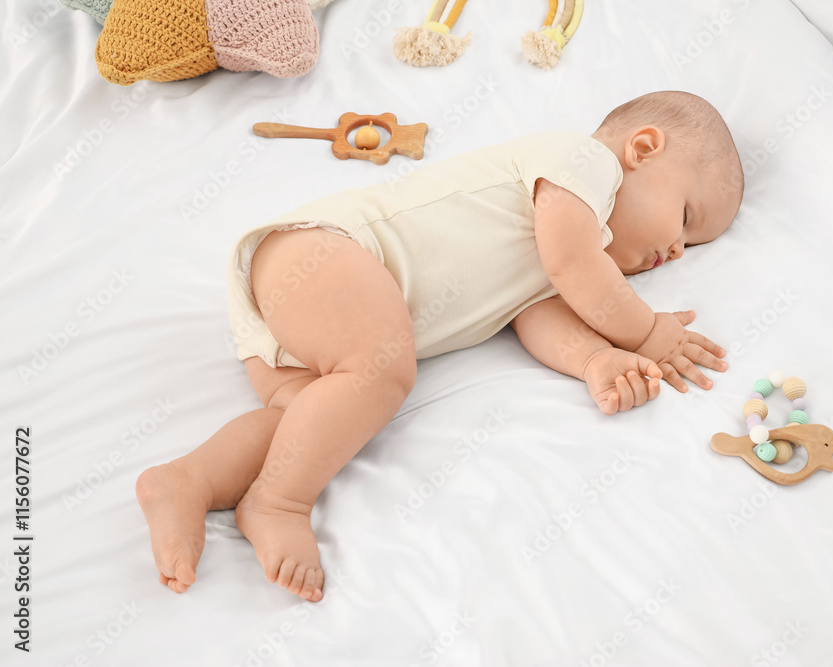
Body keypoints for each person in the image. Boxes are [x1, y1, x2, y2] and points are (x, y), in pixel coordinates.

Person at [135, 90, 744, 603]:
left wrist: (594, 359)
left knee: (315, 418)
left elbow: (538, 313)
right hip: (323, 253)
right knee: (383, 373)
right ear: (642, 149)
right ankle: (277, 504)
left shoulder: (545, 265)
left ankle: (189, 481)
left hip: (293, 329)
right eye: (687, 218)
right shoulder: (582, 165)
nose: (677, 253)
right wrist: (645, 332)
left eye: (697, 248)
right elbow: (574, 263)